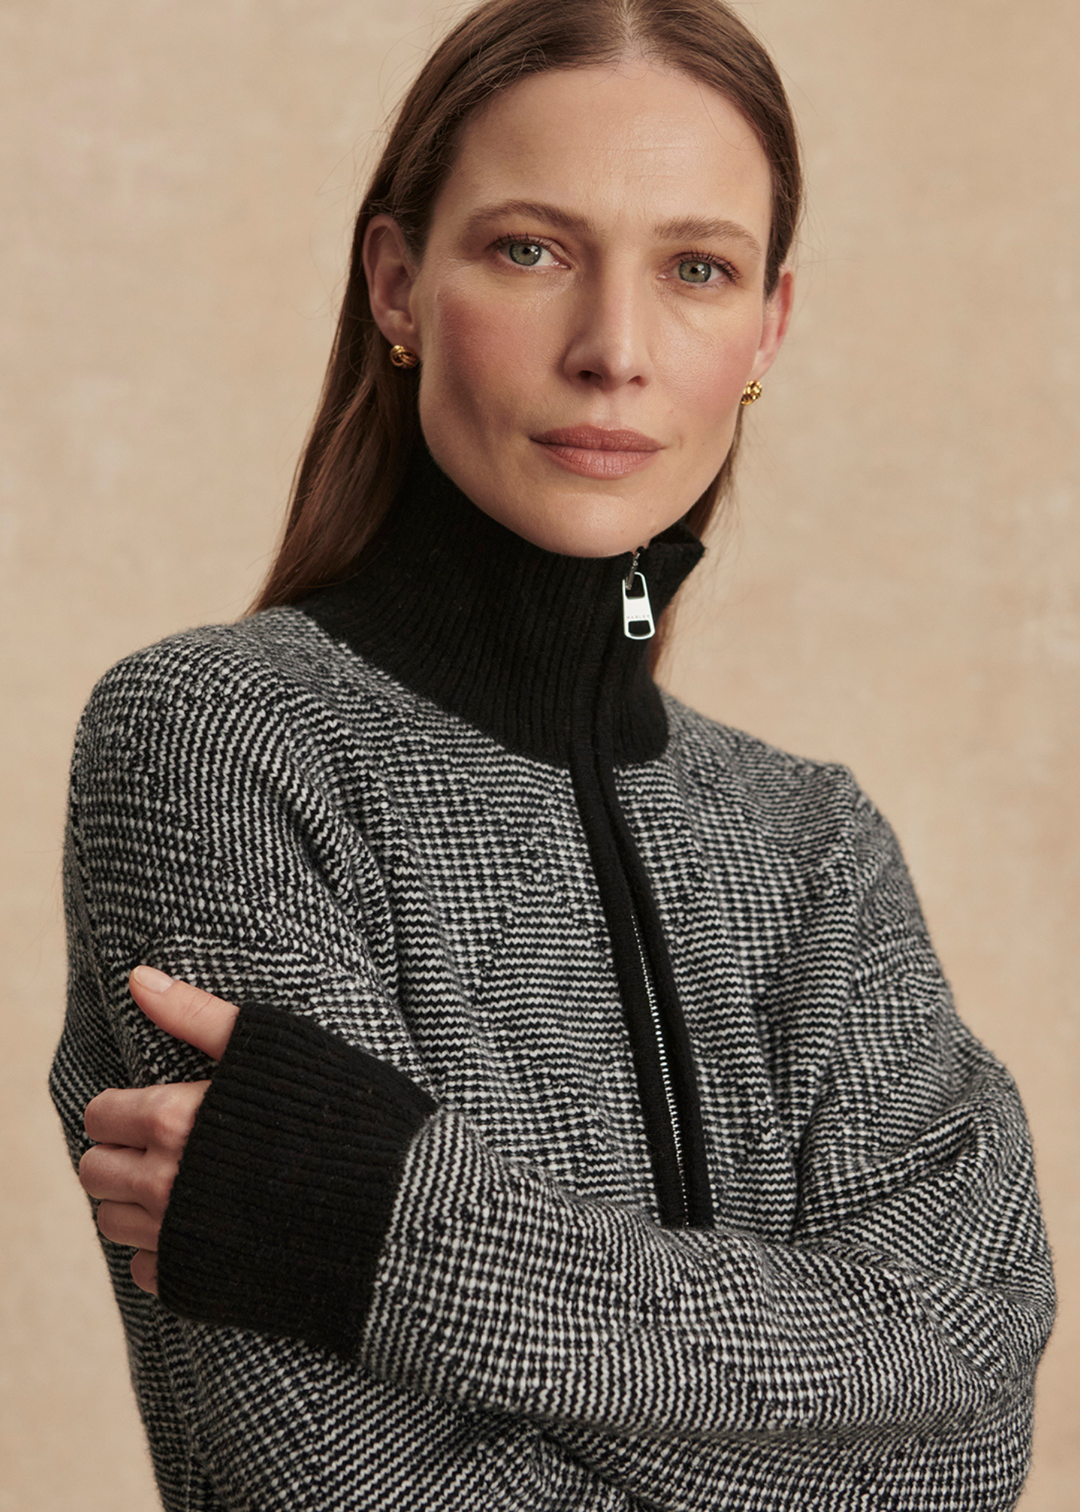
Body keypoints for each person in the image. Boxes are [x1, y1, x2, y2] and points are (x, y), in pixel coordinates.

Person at [53, 0, 1055, 1507]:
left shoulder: (814, 846)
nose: (616, 352)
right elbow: (340, 1483)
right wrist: (841, 1406)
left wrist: (398, 1232)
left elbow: (973, 1445)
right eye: (531, 249)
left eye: (697, 269)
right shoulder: (216, 747)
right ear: (397, 281)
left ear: (768, 327)